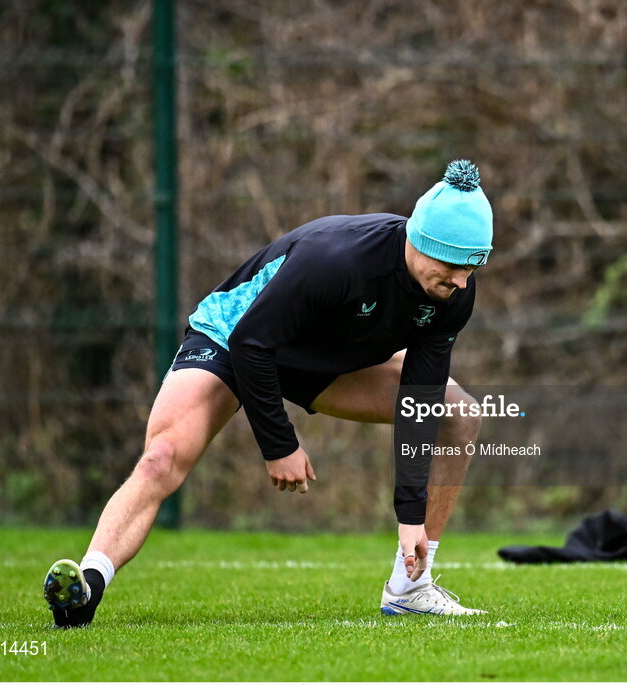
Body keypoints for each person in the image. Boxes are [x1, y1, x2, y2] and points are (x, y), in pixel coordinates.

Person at [42, 160, 493, 626]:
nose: (461, 282)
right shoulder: (336, 259)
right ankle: (86, 589)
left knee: (457, 412)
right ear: (421, 242)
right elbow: (251, 343)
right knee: (162, 458)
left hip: (320, 359)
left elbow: (420, 398)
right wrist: (280, 444)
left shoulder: (453, 292)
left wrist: (410, 514)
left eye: (471, 270)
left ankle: (411, 587)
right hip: (234, 336)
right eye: (452, 267)